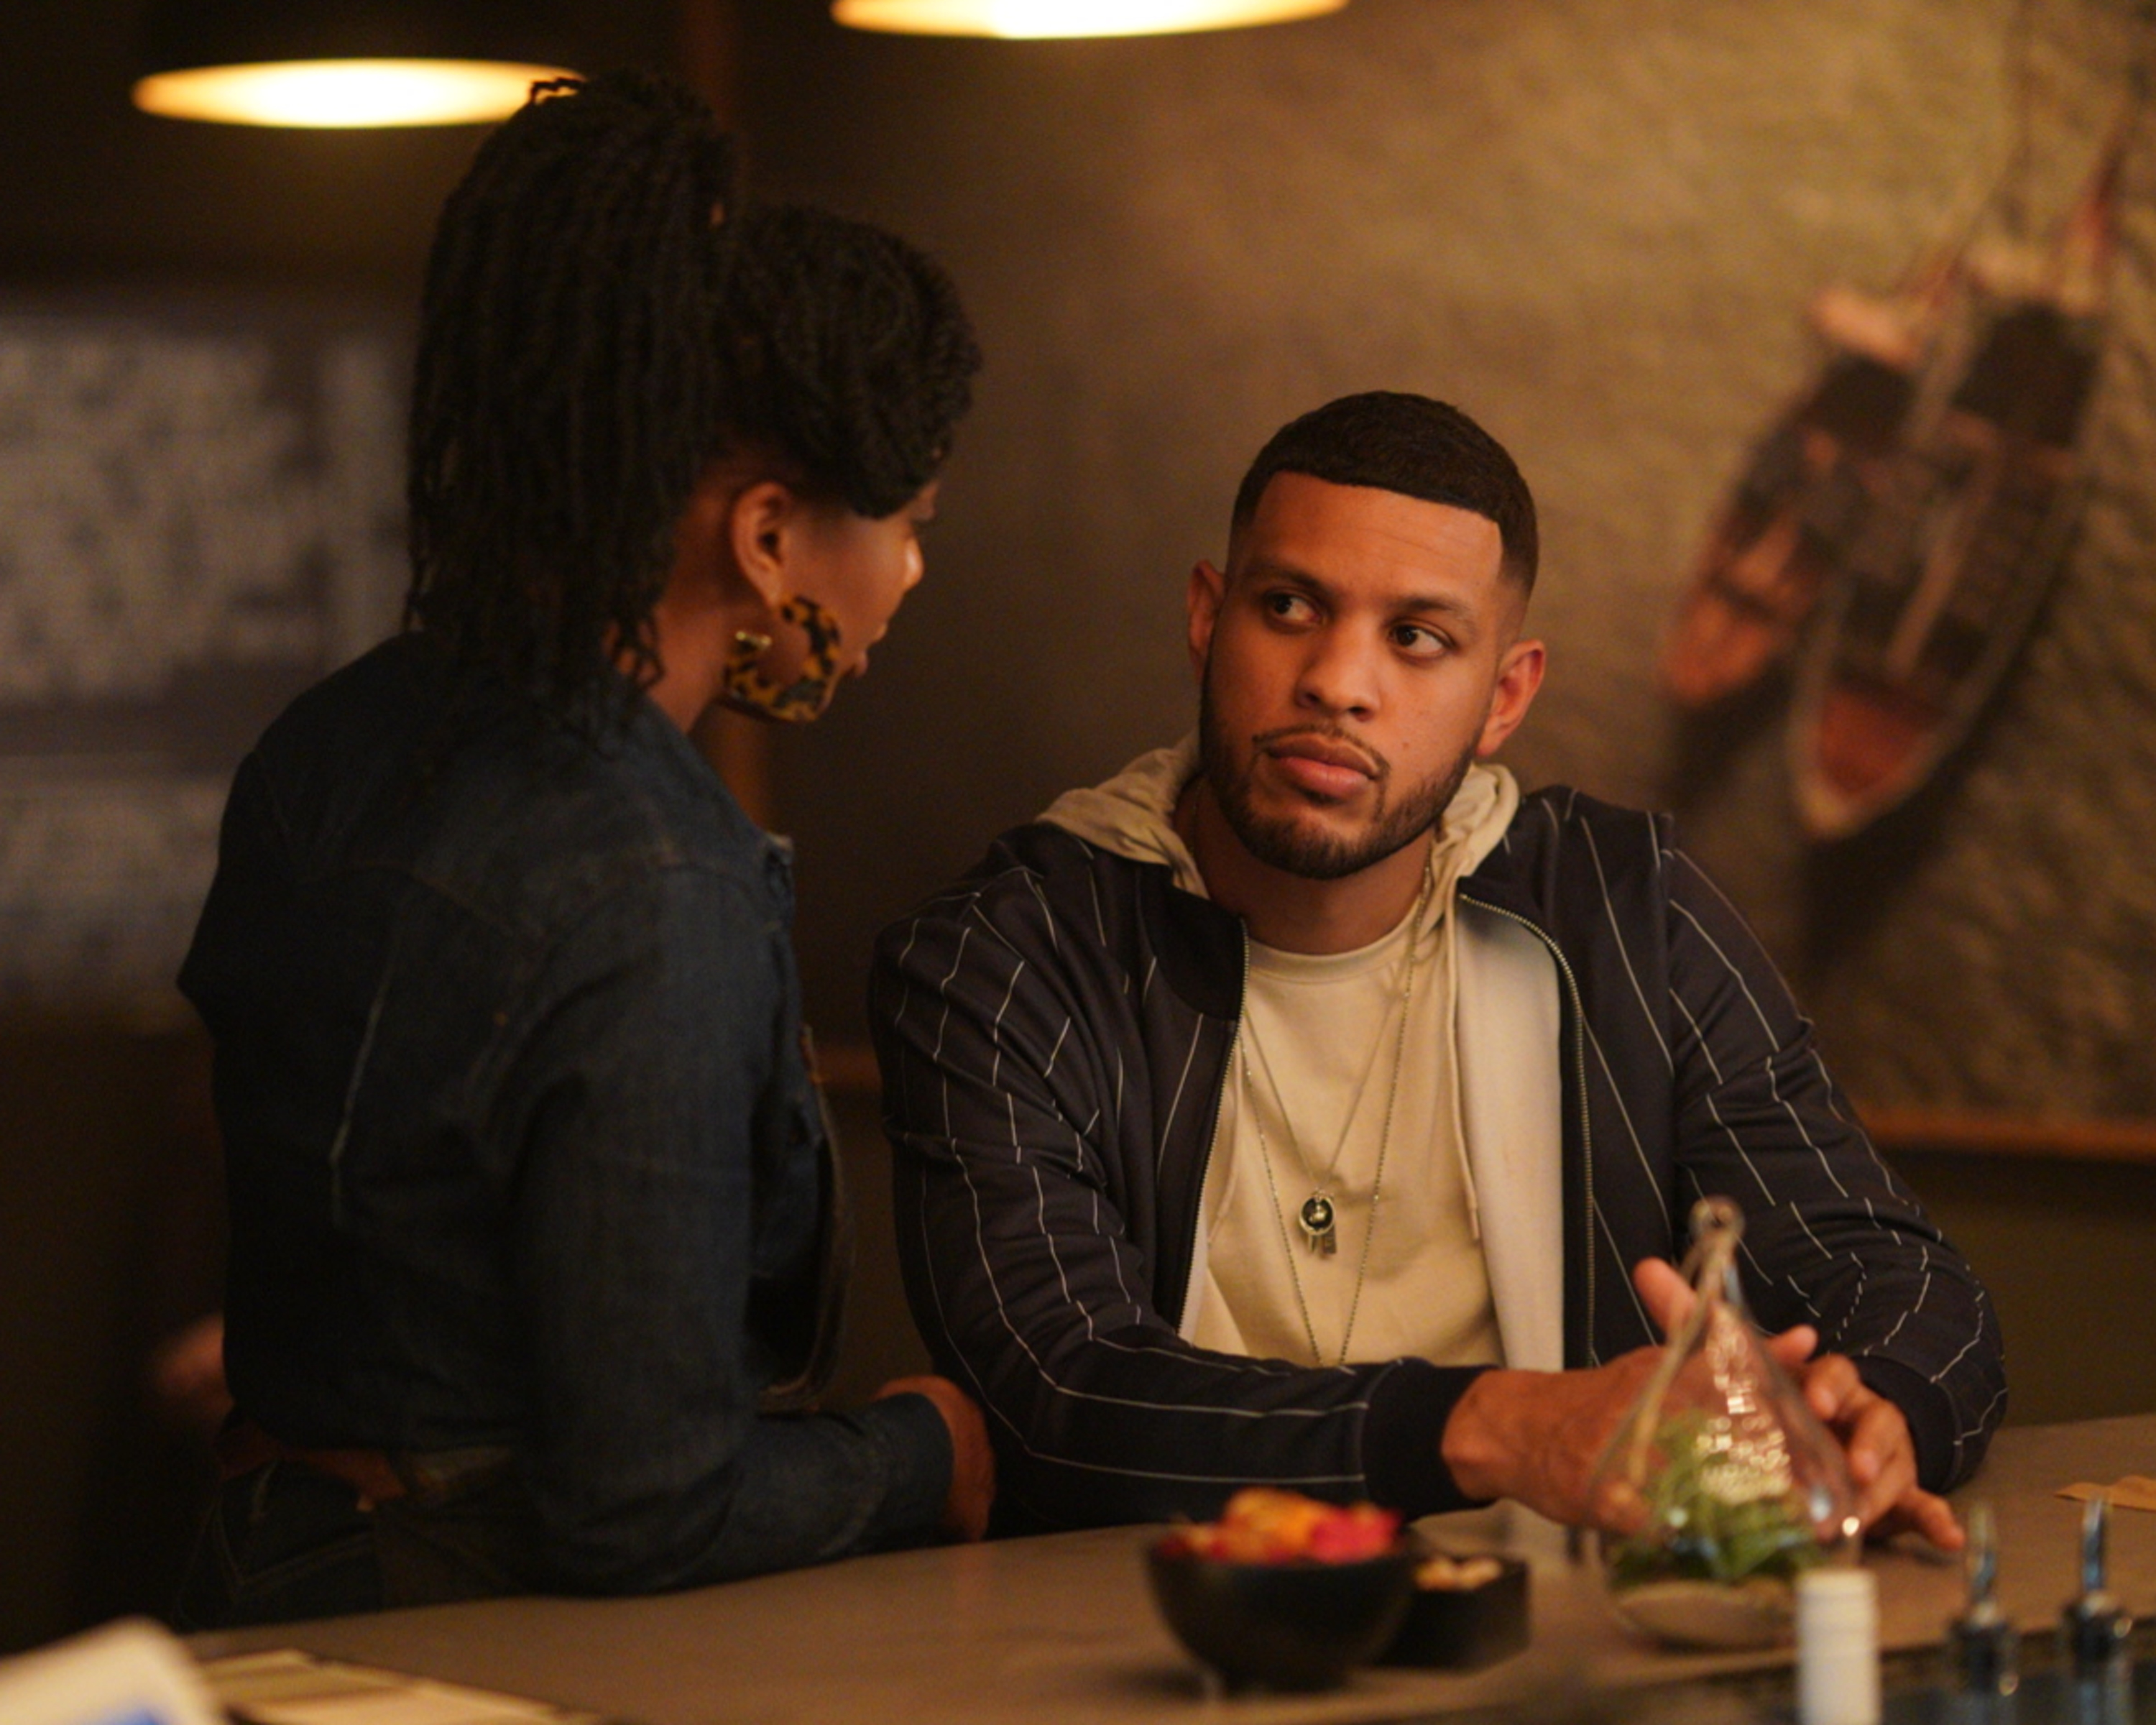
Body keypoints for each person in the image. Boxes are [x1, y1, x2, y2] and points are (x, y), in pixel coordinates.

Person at [870, 390, 2003, 1542]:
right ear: (1208, 617)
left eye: (1416, 637)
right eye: (1289, 606)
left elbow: (1899, 1279)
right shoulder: (1006, 958)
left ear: (1505, 697)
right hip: (1148, 1626)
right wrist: (1498, 1427)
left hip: (1558, 1627)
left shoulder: (1626, 913)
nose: (1338, 682)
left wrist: (1873, 1411)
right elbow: (1059, 1392)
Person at [175, 71, 991, 1627]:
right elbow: (641, 1510)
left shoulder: (329, 740)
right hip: (467, 1645)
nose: (908, 574)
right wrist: (919, 1455)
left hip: (259, 1588)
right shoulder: (655, 884)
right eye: (909, 523)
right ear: (768, 538)